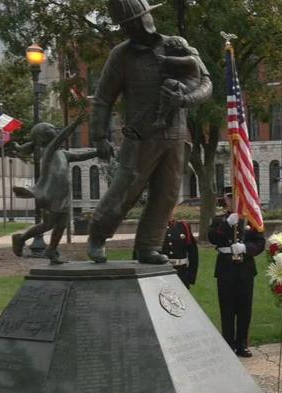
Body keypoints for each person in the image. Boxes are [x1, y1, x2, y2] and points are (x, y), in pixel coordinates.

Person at [86, 0, 212, 264]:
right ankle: (98, 235)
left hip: (175, 136)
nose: (130, 28)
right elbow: (103, 98)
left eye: (134, 22)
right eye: (125, 25)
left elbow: (205, 83)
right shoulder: (120, 56)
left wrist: (184, 100)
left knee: (166, 194)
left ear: (145, 17)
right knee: (125, 191)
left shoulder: (176, 45)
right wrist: (99, 135)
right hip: (140, 137)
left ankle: (148, 245)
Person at [11, 118, 96, 264]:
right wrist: (75, 123)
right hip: (51, 194)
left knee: (62, 224)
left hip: (63, 194)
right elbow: (61, 137)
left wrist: (98, 152)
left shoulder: (62, 153)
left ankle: (51, 250)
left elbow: (81, 156)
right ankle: (21, 238)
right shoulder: (48, 150)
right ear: (42, 137)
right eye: (50, 128)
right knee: (48, 224)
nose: (55, 130)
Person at [208, 186, 266, 357]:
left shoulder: (252, 220)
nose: (234, 200)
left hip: (245, 269)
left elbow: (260, 242)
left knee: (244, 309)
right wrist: (227, 224)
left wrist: (246, 248)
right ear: (225, 200)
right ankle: (228, 344)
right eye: (230, 197)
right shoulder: (219, 220)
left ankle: (242, 344)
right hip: (225, 268)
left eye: (237, 197)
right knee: (227, 309)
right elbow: (212, 238)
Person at [152, 36, 202, 130]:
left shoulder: (191, 59)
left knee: (169, 83)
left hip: (189, 87)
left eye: (171, 48)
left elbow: (180, 61)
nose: (169, 50)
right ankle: (164, 117)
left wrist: (165, 59)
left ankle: (161, 117)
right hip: (182, 85)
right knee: (168, 88)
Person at [162, 209, 198, 289]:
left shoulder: (183, 226)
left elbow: (193, 253)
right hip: (160, 273)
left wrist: (190, 275)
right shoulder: (154, 229)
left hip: (181, 272)